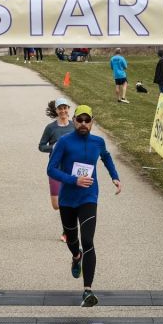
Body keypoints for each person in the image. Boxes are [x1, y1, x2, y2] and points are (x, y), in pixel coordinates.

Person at [47, 105, 121, 307]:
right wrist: (73, 180)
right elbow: (51, 169)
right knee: (73, 239)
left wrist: (115, 177)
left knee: (88, 240)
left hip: (89, 197)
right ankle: (76, 255)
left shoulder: (98, 141)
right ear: (74, 121)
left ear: (92, 122)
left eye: (87, 120)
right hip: (68, 199)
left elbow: (105, 156)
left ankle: (88, 291)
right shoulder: (64, 142)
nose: (83, 124)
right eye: (79, 120)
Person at [39, 98, 76, 240]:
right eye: (60, 108)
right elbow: (41, 146)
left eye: (65, 108)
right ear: (56, 111)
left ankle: (67, 231)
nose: (63, 111)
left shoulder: (74, 126)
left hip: (71, 169)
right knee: (56, 204)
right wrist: (52, 147)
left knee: (68, 201)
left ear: (68, 109)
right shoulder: (51, 128)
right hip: (55, 168)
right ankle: (70, 221)